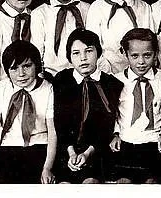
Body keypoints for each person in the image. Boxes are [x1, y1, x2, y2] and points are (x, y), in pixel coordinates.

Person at [52, 28, 123, 183]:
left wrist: (87, 153)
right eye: (76, 53)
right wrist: (71, 153)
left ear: (98, 52)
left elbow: (107, 126)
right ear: (69, 57)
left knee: (91, 183)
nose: (83, 58)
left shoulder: (112, 84)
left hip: (97, 150)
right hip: (66, 151)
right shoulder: (61, 80)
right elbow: (59, 122)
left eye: (89, 51)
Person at [0, 40, 56, 184]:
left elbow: (52, 132)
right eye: (14, 68)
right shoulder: (0, 88)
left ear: (36, 65)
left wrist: (47, 168)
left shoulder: (48, 89)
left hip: (39, 149)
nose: (21, 74)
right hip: (7, 149)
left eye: (27, 66)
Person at [108, 28, 161, 184]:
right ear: (126, 54)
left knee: (152, 183)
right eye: (134, 56)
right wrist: (115, 134)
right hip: (125, 142)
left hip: (154, 141)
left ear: (155, 54)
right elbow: (112, 113)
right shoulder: (116, 80)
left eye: (147, 55)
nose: (141, 62)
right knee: (123, 182)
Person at [86, 0, 153, 74]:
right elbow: (92, 46)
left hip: (139, 71)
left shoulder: (144, 7)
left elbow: (150, 43)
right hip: (107, 74)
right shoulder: (97, 7)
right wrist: (109, 73)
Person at [30, 0, 90, 78]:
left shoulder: (88, 9)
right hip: (51, 76)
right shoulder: (39, 14)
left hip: (84, 75)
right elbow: (37, 51)